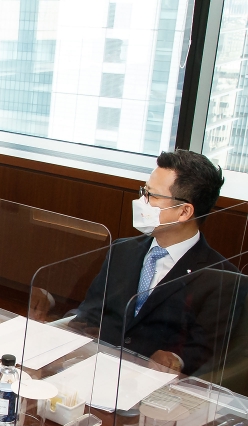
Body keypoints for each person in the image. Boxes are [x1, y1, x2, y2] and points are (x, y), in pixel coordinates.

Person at [72, 150, 241, 375]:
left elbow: (206, 353)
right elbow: (90, 313)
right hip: (93, 369)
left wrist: (176, 360)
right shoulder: (123, 250)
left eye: (152, 196)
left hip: (155, 389)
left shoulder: (221, 278)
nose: (142, 202)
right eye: (144, 191)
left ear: (184, 211)